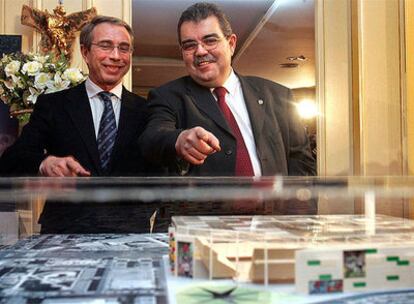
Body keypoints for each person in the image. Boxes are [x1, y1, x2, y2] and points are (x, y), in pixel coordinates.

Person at [0, 16, 156, 233]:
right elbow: (12, 159)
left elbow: (160, 172)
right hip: (65, 234)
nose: (115, 56)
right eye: (105, 46)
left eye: (124, 48)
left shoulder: (147, 110)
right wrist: (46, 162)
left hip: (128, 233)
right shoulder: (54, 105)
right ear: (85, 52)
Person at [139, 2, 316, 177]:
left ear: (231, 44)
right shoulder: (168, 97)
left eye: (210, 40)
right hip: (205, 206)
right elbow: (153, 138)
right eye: (189, 45)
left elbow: (301, 164)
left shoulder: (278, 96)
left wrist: (298, 204)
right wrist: (178, 140)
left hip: (274, 205)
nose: (200, 51)